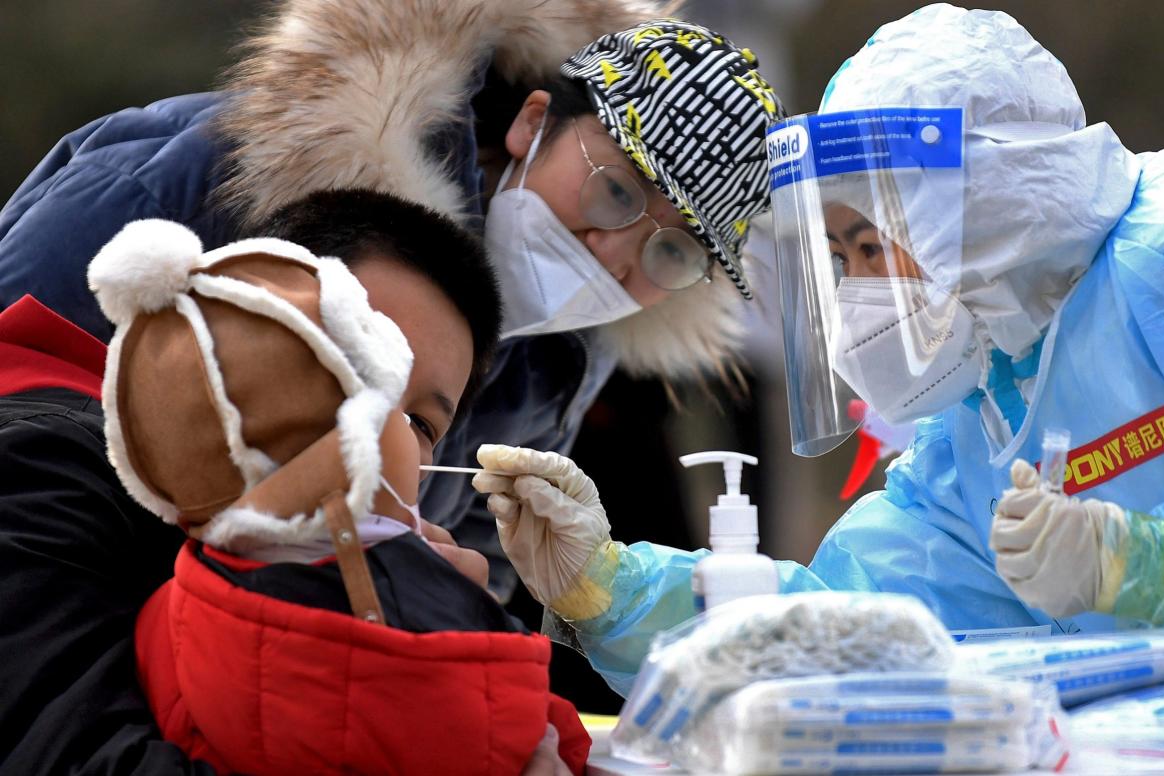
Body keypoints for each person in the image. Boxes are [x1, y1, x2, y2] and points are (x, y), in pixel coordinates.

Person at [469, 2, 1164, 695]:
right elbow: (849, 624)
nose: (860, 291)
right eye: (839, 258)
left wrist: (1151, 563)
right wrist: (611, 587)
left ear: (985, 204)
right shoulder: (979, 418)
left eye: (873, 244)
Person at [0, 1, 784, 600]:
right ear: (534, 123)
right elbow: (17, 378)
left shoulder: (559, 361)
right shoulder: (211, 169)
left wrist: (443, 593)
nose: (612, 252)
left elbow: (447, 562)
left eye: (671, 250)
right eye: (614, 191)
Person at [0, 189, 539, 774]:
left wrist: (439, 654)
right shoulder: (41, 465)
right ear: (240, 320)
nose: (379, 431)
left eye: (420, 422)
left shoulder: (340, 566)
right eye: (353, 363)